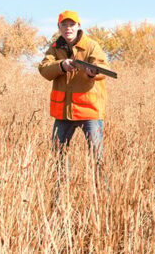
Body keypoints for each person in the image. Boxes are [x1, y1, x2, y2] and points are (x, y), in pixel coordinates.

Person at [38, 10, 110, 189]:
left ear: (78, 26)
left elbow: (103, 68)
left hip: (90, 111)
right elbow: (44, 69)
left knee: (97, 157)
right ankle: (61, 192)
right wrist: (61, 66)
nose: (68, 28)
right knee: (58, 156)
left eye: (72, 25)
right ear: (59, 27)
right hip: (63, 113)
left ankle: (103, 194)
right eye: (64, 25)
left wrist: (93, 72)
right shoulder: (55, 48)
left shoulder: (91, 45)